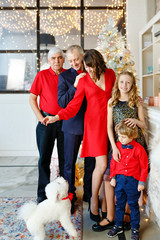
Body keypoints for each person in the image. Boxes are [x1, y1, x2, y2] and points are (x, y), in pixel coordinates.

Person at [42, 49, 116, 223]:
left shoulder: (111, 74)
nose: (88, 70)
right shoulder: (83, 81)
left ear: (98, 62)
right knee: (102, 164)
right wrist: (56, 117)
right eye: (87, 67)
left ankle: (105, 206)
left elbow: (117, 94)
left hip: (111, 125)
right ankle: (93, 203)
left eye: (91, 66)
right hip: (94, 126)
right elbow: (73, 106)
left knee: (108, 168)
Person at [101, 70, 148, 231]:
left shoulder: (136, 102)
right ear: (117, 84)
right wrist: (114, 146)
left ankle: (129, 214)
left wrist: (136, 120)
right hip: (118, 146)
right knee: (113, 177)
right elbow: (108, 127)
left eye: (128, 82)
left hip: (136, 146)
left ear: (132, 84)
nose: (125, 85)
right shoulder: (112, 102)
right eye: (122, 82)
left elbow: (143, 125)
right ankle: (114, 216)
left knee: (132, 178)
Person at [58, 45, 95, 212]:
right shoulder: (64, 76)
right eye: (71, 61)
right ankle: (69, 197)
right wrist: (74, 85)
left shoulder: (92, 72)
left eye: (77, 60)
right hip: (71, 125)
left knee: (91, 163)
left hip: (92, 125)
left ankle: (89, 195)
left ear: (83, 57)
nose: (74, 63)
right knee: (69, 163)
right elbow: (62, 102)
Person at [29, 46, 65, 203]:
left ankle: (65, 194)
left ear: (63, 60)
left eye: (59, 58)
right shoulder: (41, 75)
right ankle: (42, 195)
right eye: (53, 58)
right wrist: (39, 117)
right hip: (45, 122)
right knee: (44, 158)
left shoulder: (69, 75)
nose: (56, 61)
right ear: (49, 60)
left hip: (65, 122)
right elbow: (32, 98)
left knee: (66, 160)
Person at [107, 121, 148, 240]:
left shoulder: (139, 149)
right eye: (119, 136)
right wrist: (113, 177)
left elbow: (144, 167)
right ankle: (118, 225)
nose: (120, 139)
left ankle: (135, 228)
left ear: (132, 135)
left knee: (133, 205)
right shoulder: (117, 146)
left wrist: (141, 182)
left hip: (133, 182)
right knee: (119, 205)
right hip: (119, 181)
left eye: (123, 137)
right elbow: (113, 163)